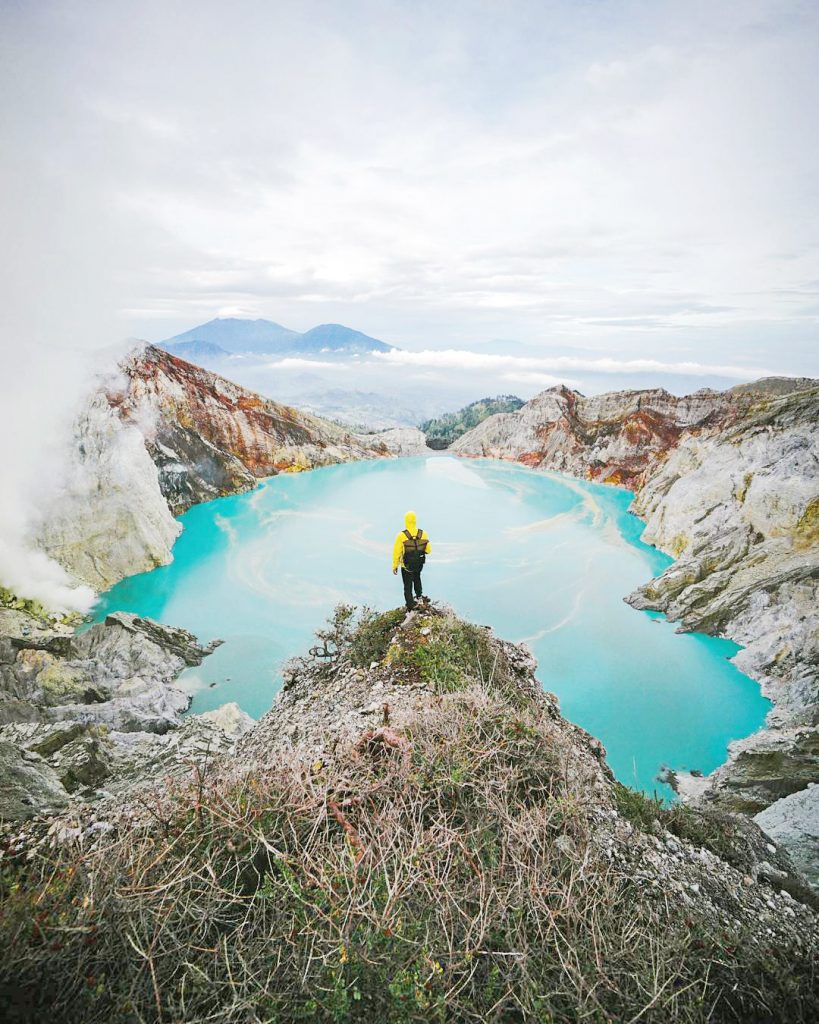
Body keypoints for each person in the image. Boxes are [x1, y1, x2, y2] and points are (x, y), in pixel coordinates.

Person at [392, 510, 431, 612]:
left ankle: (410, 605)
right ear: (415, 520)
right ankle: (419, 596)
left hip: (407, 566)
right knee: (417, 578)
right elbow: (428, 550)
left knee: (407, 585)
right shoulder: (423, 533)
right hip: (419, 564)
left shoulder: (401, 536)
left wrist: (395, 565)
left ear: (406, 521)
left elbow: (397, 552)